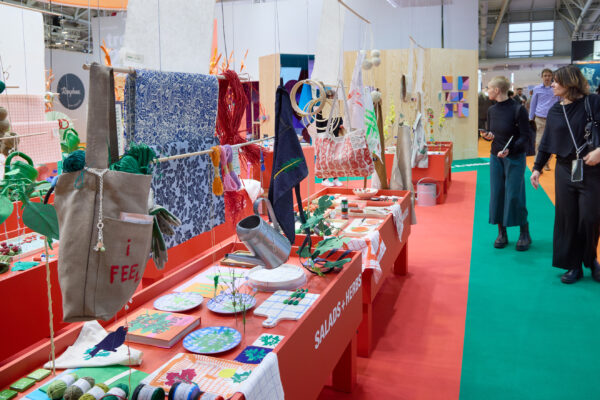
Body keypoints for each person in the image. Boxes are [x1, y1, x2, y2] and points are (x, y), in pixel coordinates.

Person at [530, 65, 600, 284]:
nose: (552, 84)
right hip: (564, 169)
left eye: (556, 81)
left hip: (591, 169)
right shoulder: (555, 110)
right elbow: (546, 142)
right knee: (567, 219)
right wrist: (537, 168)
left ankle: (590, 259)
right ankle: (573, 265)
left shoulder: (593, 103)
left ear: (570, 82)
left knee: (590, 218)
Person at [481, 76, 532, 251]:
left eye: (489, 88)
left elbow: (526, 136)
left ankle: (524, 232)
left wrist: (512, 149)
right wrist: (488, 136)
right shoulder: (492, 110)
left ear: (497, 90)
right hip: (496, 157)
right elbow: (493, 133)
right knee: (497, 194)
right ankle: (501, 232)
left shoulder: (518, 109)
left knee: (514, 194)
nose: (487, 91)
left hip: (515, 157)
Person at [529, 69, 560, 170]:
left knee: (551, 142)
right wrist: (530, 118)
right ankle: (537, 164)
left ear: (552, 77)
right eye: (545, 75)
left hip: (553, 119)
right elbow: (533, 104)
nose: (547, 77)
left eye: (549, 75)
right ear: (542, 77)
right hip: (539, 119)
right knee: (539, 142)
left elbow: (560, 102)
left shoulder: (556, 88)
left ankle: (546, 162)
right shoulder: (536, 89)